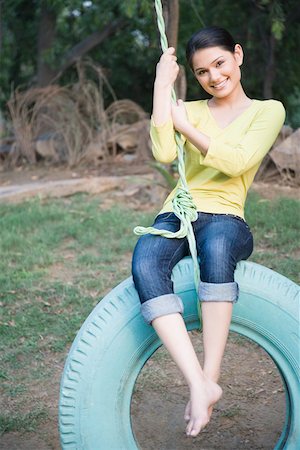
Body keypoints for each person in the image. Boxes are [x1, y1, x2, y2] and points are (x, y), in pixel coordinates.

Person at [132, 26, 285, 438]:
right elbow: (164, 152)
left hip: (226, 218)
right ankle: (197, 382)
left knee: (217, 249)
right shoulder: (190, 108)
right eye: (202, 72)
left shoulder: (268, 110)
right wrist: (162, 85)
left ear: (237, 55)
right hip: (180, 211)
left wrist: (187, 127)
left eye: (219, 64)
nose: (214, 77)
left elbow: (237, 161)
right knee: (145, 258)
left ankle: (211, 376)